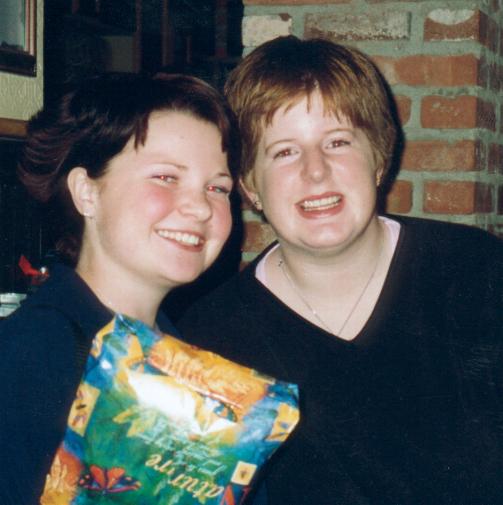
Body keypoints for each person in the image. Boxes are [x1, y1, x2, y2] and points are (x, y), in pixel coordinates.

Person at [176, 36, 503, 504]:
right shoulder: (210, 340)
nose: (316, 171)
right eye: (284, 151)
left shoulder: (477, 272)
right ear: (249, 186)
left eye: (338, 141)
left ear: (379, 159)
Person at [0, 72, 238, 504]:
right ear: (86, 193)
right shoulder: (29, 356)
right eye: (166, 177)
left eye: (217, 187)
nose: (201, 207)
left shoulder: (201, 364)